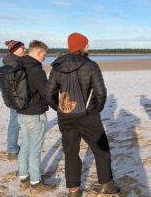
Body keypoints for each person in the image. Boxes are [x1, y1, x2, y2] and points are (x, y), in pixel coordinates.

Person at [45, 33, 119, 197]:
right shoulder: (91, 65)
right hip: (88, 115)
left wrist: (60, 108)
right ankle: (106, 184)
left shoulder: (57, 67)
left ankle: (73, 190)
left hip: (66, 116)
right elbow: (101, 92)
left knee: (70, 152)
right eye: (87, 45)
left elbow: (48, 93)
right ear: (81, 47)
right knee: (101, 149)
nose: (88, 47)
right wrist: (95, 110)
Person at [16, 40, 53, 191]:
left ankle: (24, 179)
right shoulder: (36, 70)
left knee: (25, 147)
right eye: (44, 54)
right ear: (38, 53)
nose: (45, 57)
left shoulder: (19, 66)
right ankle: (36, 183)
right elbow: (47, 93)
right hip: (35, 114)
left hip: (21, 113)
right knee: (35, 150)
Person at [2, 40, 26, 160]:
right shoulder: (14, 63)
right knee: (15, 123)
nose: (24, 49)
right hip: (16, 98)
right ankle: (12, 150)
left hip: (13, 97)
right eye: (22, 47)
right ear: (15, 49)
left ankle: (12, 149)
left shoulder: (13, 61)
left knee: (15, 122)